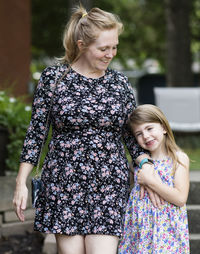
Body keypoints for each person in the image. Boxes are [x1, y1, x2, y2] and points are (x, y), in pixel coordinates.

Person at [13, 5, 160, 254]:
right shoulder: (53, 79)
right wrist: (20, 182)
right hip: (64, 181)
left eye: (114, 47)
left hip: (109, 182)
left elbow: (130, 135)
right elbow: (36, 133)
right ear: (81, 45)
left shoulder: (120, 83)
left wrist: (146, 166)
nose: (110, 54)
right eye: (103, 48)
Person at [118, 104, 190, 253]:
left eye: (149, 128)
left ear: (163, 128)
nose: (145, 136)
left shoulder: (178, 159)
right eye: (139, 133)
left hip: (167, 233)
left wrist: (150, 181)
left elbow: (180, 198)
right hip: (139, 233)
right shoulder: (137, 164)